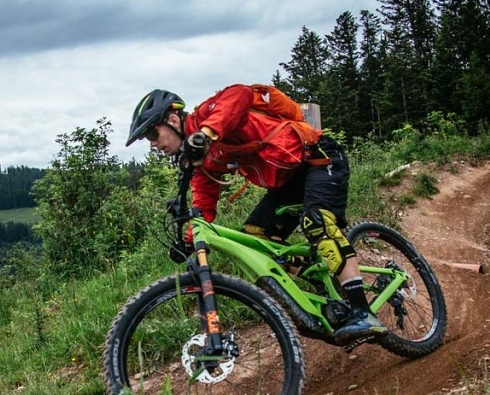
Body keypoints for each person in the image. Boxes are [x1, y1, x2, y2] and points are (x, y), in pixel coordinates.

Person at [125, 86, 386, 342]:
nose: (153, 144)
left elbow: (240, 94)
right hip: (287, 183)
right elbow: (203, 204)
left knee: (317, 222)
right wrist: (189, 241)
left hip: (317, 158)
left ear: (173, 120)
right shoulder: (201, 160)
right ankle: (318, 279)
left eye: (152, 134)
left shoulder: (207, 117)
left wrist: (206, 134)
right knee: (257, 238)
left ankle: (363, 312)